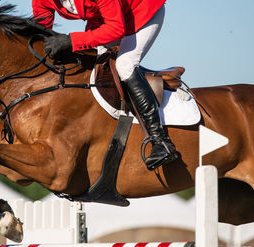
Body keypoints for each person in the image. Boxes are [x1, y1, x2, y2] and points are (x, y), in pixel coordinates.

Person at [32, 0, 178, 170]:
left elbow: (116, 29)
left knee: (125, 65)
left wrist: (72, 40)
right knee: (92, 67)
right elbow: (41, 30)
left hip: (140, 13)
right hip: (105, 20)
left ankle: (160, 141)